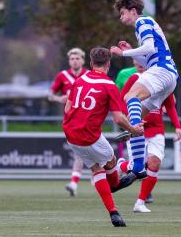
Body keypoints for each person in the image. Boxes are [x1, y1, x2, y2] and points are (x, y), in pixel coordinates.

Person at [63, 47, 144, 227]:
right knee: (111, 161)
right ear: (108, 64)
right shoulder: (109, 85)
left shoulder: (79, 80)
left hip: (70, 134)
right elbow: (118, 118)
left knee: (96, 169)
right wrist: (134, 129)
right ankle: (114, 185)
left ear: (91, 63)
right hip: (90, 136)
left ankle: (113, 212)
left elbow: (67, 108)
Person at [110, 0, 179, 178]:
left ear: (133, 11)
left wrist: (124, 52)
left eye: (122, 13)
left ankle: (138, 163)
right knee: (135, 114)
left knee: (129, 98)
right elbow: (149, 56)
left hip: (162, 71)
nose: (121, 17)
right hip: (167, 76)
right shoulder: (144, 26)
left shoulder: (142, 22)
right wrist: (133, 49)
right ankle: (136, 162)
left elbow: (148, 48)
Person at [117, 64, 181, 212]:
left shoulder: (164, 81)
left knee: (154, 163)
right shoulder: (135, 79)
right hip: (137, 128)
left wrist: (177, 126)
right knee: (136, 168)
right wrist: (127, 119)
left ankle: (140, 203)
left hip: (157, 129)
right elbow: (122, 99)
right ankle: (121, 165)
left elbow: (170, 105)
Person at [48, 47, 88, 196]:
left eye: (78, 58)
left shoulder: (88, 76)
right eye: (72, 58)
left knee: (84, 152)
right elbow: (50, 95)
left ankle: (75, 182)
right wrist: (60, 99)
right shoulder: (62, 76)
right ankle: (76, 182)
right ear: (69, 61)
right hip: (70, 120)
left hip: (88, 119)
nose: (75, 61)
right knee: (81, 152)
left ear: (83, 60)